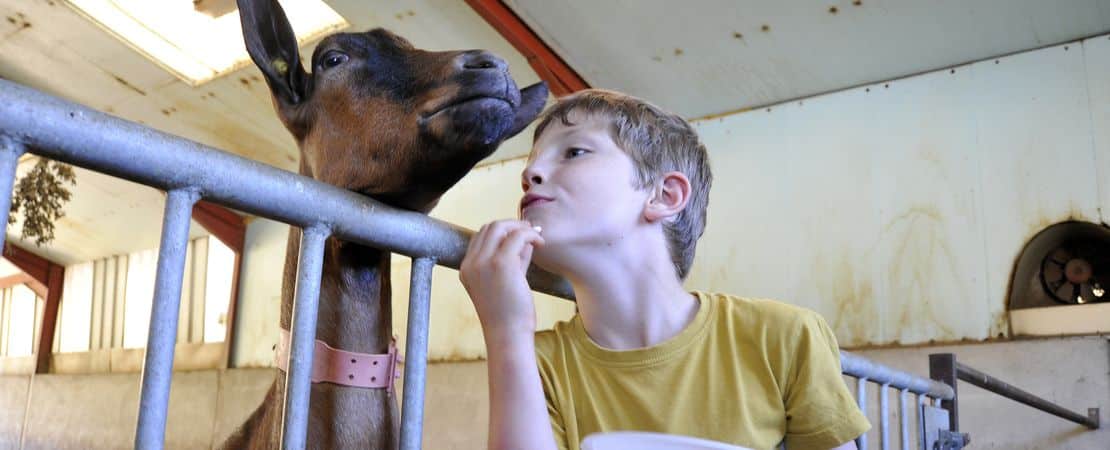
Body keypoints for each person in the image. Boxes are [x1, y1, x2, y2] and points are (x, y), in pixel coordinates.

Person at [459, 89, 870, 450]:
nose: (529, 175)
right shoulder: (537, 360)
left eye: (573, 152)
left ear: (664, 194)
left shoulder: (783, 336)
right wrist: (505, 330)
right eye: (529, 167)